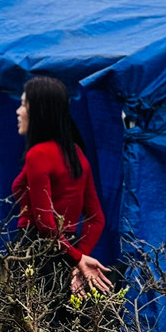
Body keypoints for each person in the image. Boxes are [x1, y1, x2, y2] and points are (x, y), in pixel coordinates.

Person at [12, 76, 111, 295]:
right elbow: (97, 219)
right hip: (66, 249)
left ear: (39, 111)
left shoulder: (38, 154)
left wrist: (78, 258)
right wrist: (77, 258)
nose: (18, 111)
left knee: (25, 323)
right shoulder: (77, 155)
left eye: (23, 105)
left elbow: (44, 222)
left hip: (35, 250)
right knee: (63, 324)